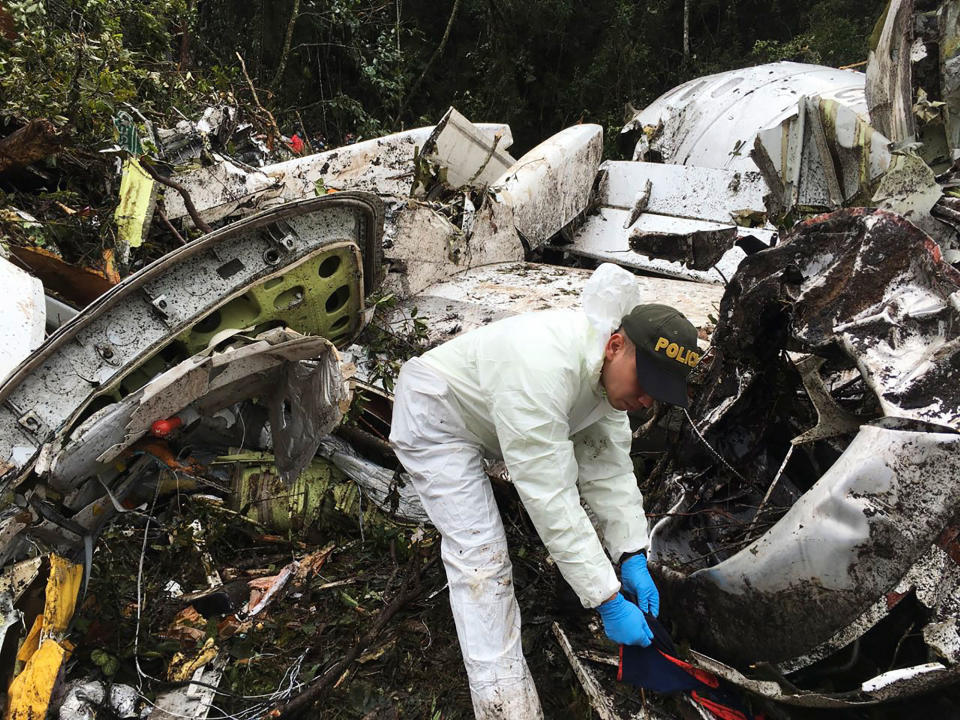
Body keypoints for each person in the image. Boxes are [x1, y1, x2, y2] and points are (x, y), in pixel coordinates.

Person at [389, 264, 701, 718]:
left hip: (488, 417)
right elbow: (551, 497)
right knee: (481, 558)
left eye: (659, 393)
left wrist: (630, 552)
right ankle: (505, 707)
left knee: (506, 538)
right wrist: (606, 599)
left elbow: (609, 470)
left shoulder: (604, 377)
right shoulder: (543, 367)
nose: (647, 401)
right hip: (436, 412)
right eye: (646, 384)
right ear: (616, 345)